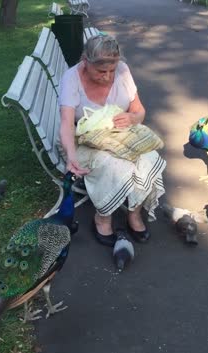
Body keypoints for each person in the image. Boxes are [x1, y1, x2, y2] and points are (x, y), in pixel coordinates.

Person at [58, 34, 166, 247]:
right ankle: (103, 216)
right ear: (85, 61)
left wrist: (133, 118)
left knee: (149, 157)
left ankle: (134, 213)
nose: (107, 77)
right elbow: (66, 124)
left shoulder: (123, 70)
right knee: (114, 165)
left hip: (120, 137)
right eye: (101, 71)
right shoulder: (71, 78)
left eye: (111, 71)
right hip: (84, 141)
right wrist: (70, 156)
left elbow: (139, 110)